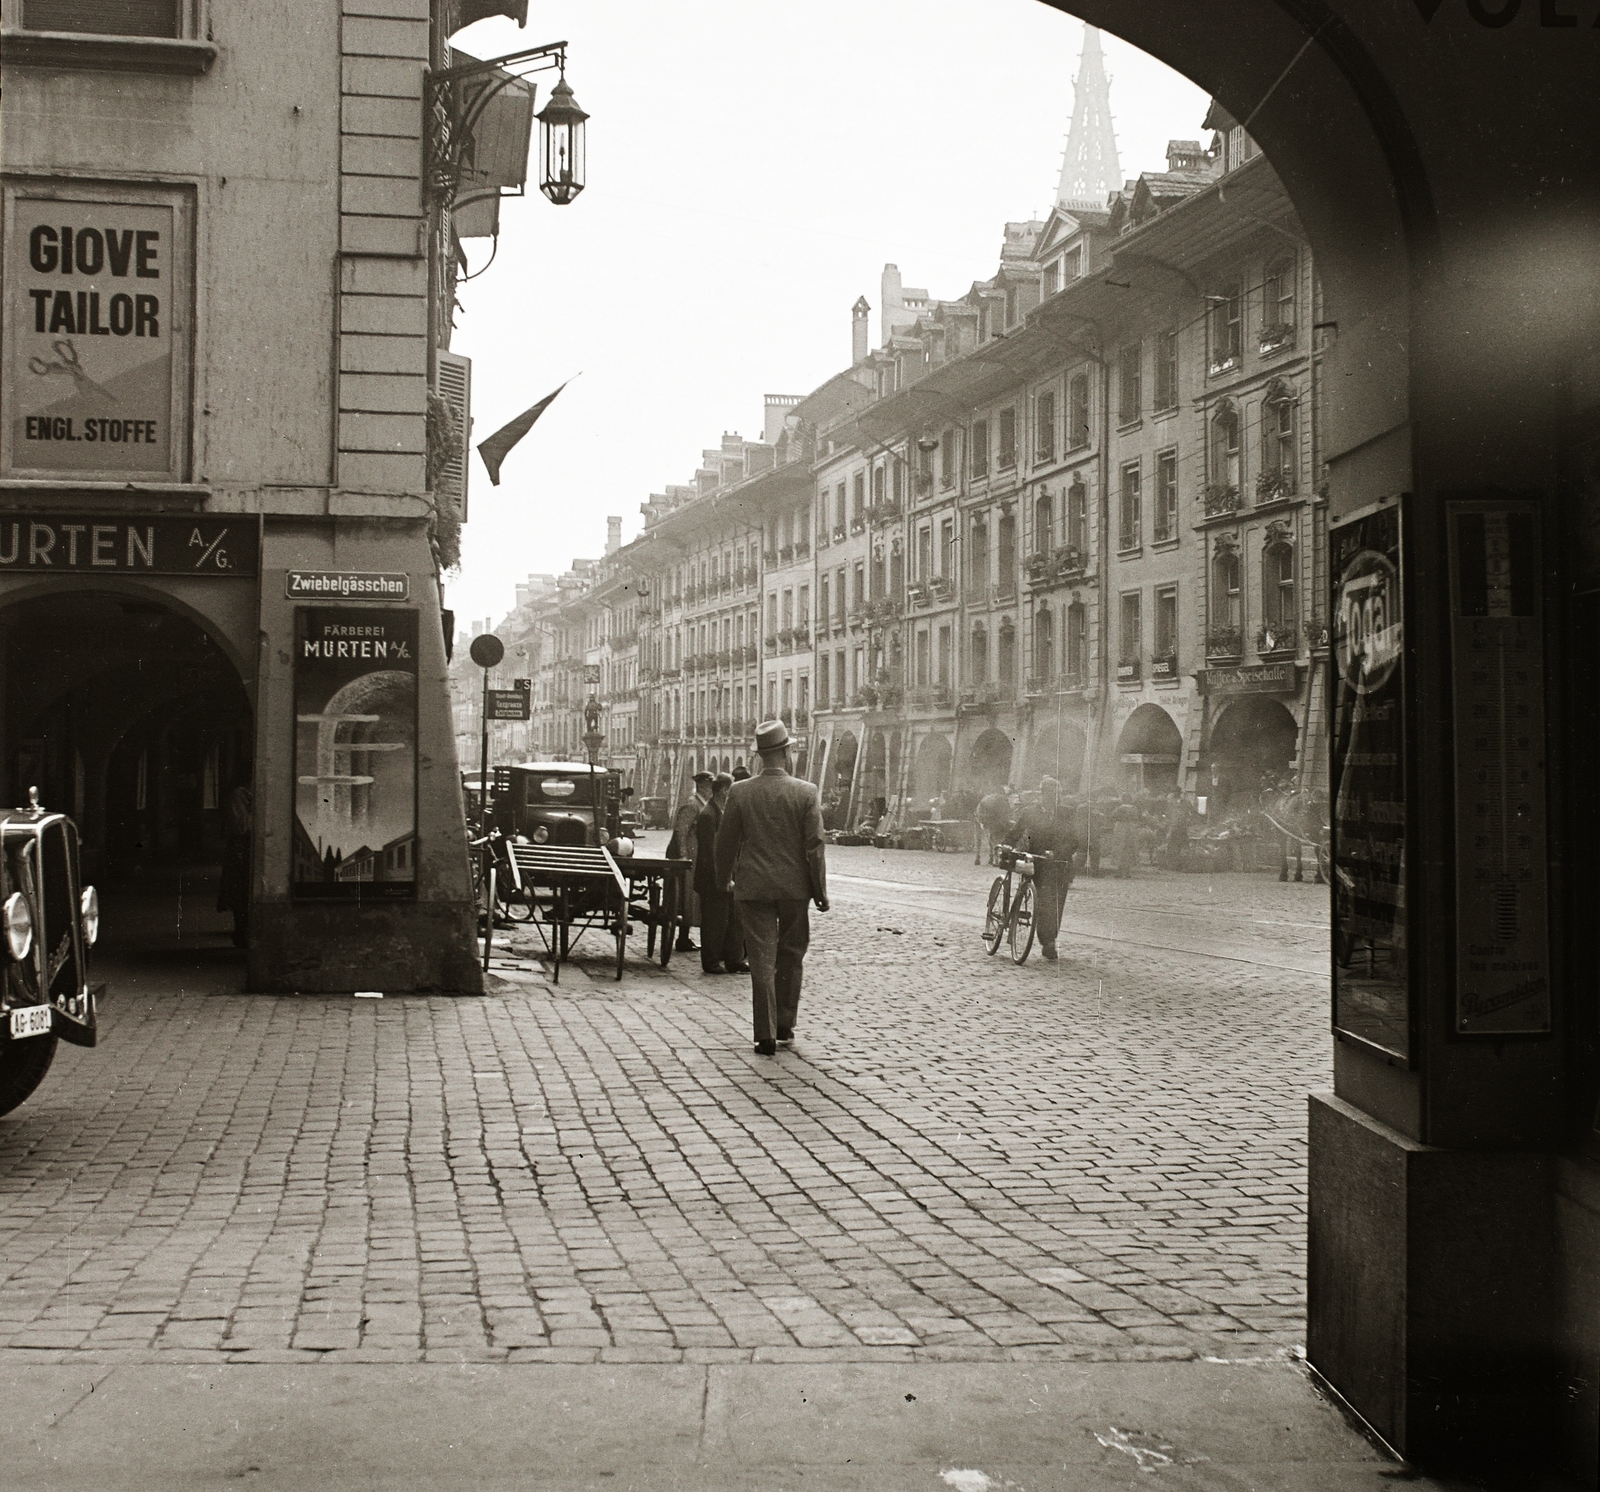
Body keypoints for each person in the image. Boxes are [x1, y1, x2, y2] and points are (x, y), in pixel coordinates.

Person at [715, 720, 828, 1056]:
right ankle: (784, 1024)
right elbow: (815, 846)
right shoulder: (806, 791)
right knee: (791, 956)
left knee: (762, 959)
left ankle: (763, 1034)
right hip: (794, 889)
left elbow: (726, 842)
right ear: (785, 752)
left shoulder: (740, 791)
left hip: (753, 888)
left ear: (760, 755)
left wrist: (723, 878)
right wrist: (820, 892)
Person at [1003, 776, 1082, 961]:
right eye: (1049, 794)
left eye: (1057, 794)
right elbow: (1016, 831)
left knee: (1055, 904)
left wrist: (1057, 852)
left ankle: (1049, 942)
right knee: (1040, 900)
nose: (1054, 798)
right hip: (1036, 863)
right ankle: (1033, 932)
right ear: (1042, 794)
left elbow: (1074, 840)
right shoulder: (1030, 812)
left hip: (1059, 864)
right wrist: (1006, 844)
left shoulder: (1067, 813)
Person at [695, 773, 748, 975]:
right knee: (714, 922)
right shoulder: (708, 815)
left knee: (733, 919)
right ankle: (711, 961)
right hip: (712, 879)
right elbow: (709, 852)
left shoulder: (721, 811)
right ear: (725, 790)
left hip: (727, 876)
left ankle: (734, 959)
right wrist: (722, 879)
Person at [666, 770, 713, 952]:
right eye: (709, 785)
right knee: (687, 897)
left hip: (698, 855)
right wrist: (684, 856)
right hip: (690, 857)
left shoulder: (702, 803)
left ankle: (685, 937)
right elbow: (681, 831)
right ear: (702, 785)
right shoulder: (692, 804)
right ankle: (683, 937)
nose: (711, 789)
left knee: (694, 898)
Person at [975, 784, 1013, 865]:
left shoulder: (986, 798)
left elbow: (978, 812)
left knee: (981, 838)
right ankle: (994, 858)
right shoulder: (1003, 799)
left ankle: (978, 857)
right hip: (999, 821)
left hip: (984, 819)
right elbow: (1008, 811)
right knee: (995, 838)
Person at [1111, 794, 1142, 879]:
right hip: (1131, 829)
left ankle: (1120, 871)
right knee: (1130, 849)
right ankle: (1127, 871)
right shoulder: (1134, 809)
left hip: (1121, 828)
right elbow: (1138, 818)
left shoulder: (1119, 808)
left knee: (1120, 849)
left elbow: (1113, 816)